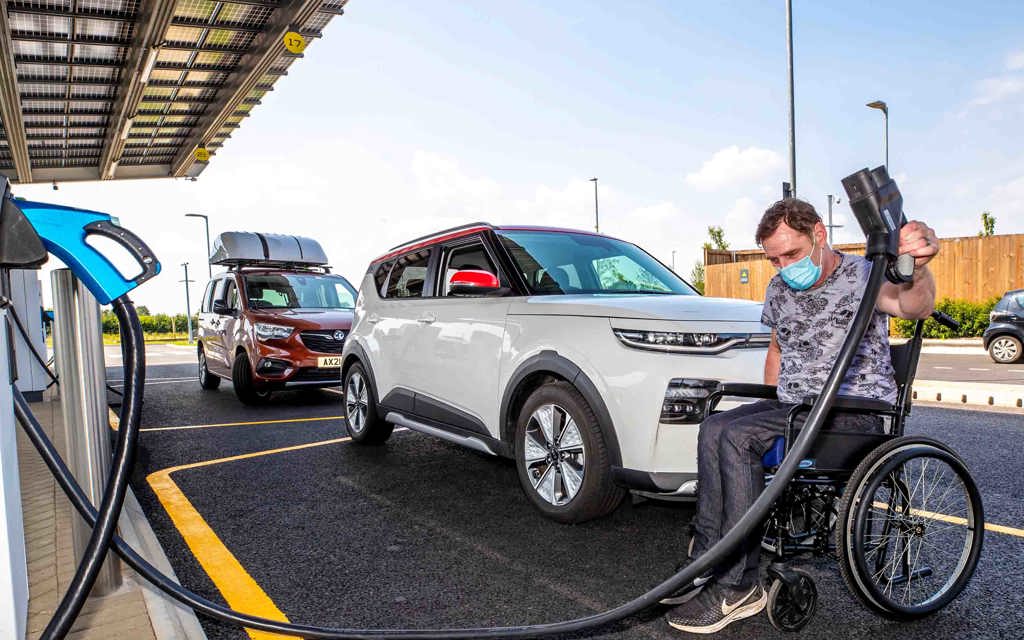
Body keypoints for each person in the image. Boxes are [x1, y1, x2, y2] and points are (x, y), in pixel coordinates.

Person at [664, 198, 939, 634]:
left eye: (791, 254)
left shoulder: (862, 276)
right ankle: (707, 559)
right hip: (796, 409)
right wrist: (768, 405)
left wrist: (919, 267)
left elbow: (913, 306)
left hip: (852, 415)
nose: (783, 266)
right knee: (716, 425)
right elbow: (777, 349)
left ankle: (738, 587)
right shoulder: (778, 289)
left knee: (737, 437)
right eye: (773, 258)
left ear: (819, 233)